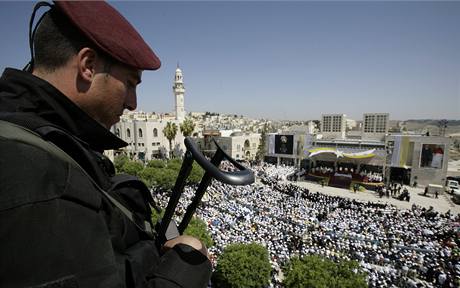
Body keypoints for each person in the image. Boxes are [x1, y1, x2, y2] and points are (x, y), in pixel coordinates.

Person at [0, 2, 210, 287]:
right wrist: (186, 268)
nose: (133, 104)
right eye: (131, 83)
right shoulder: (37, 175)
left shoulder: (45, 137)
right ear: (87, 66)